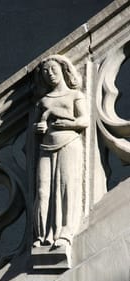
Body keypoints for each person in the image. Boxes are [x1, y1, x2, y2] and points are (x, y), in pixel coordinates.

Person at [33, 55, 88, 247]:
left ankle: (65, 231)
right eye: (46, 72)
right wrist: (38, 128)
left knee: (67, 187)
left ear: (64, 70)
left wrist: (65, 121)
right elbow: (36, 126)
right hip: (46, 146)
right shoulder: (43, 101)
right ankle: (44, 235)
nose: (50, 74)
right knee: (42, 191)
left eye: (53, 69)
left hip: (68, 143)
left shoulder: (75, 95)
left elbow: (84, 121)